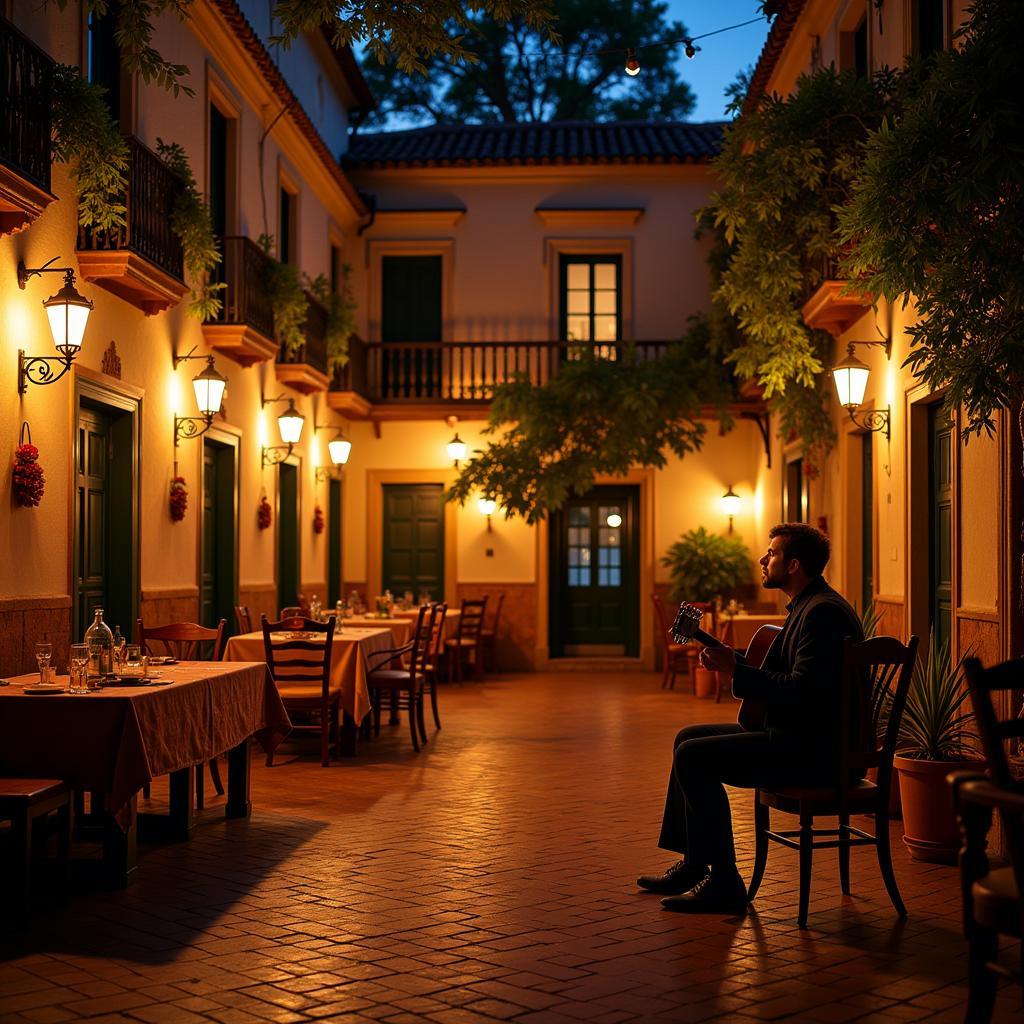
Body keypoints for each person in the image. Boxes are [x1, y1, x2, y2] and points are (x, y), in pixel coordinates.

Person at [638, 523, 863, 914]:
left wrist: (736, 672)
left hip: (813, 751)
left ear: (793, 565)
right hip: (797, 736)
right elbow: (791, 679)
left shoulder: (822, 614)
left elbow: (801, 691)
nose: (763, 559)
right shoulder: (807, 606)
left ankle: (725, 882)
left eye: (771, 553)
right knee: (687, 737)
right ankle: (695, 864)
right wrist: (734, 662)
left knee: (694, 756)